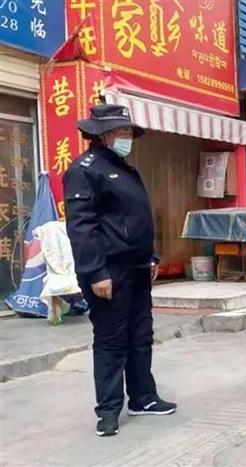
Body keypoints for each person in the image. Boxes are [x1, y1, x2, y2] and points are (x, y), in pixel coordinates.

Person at [63, 104, 176, 437]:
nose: (128, 137)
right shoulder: (84, 170)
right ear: (103, 135)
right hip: (108, 271)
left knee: (141, 336)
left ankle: (143, 397)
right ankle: (108, 411)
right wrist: (96, 272)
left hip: (137, 267)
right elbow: (82, 227)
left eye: (129, 131)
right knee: (112, 341)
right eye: (122, 131)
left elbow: (138, 219)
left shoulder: (125, 169)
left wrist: (151, 257)